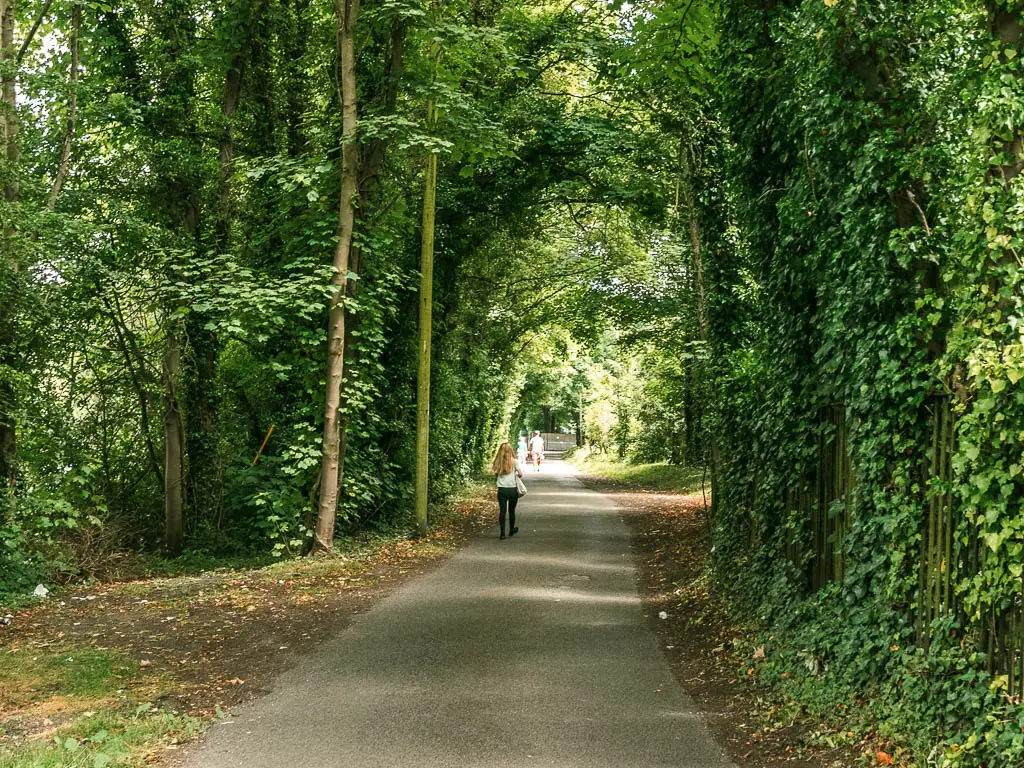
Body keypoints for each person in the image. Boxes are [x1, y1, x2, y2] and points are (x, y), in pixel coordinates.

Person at [491, 442, 523, 540]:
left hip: (502, 490)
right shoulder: (514, 461)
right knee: (512, 511)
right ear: (511, 450)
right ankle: (511, 530)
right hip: (512, 489)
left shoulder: (497, 462)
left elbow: (496, 474)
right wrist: (516, 475)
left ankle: (502, 533)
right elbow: (521, 474)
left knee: (502, 511)